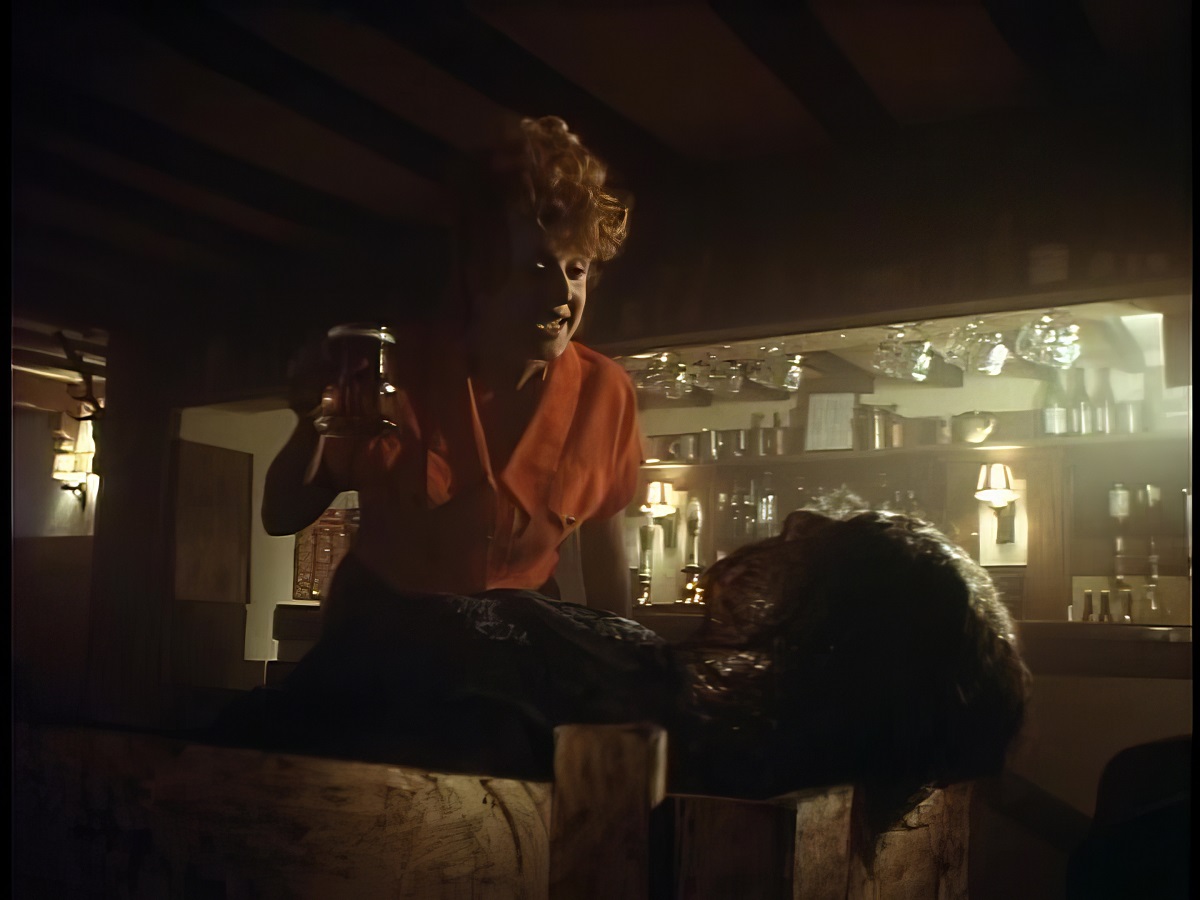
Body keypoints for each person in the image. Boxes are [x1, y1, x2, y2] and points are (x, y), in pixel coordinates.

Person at [210, 497, 1030, 844]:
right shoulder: (703, 718)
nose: (799, 519)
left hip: (254, 778)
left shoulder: (670, 740)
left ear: (839, 644)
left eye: (827, 547)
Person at [261, 115, 639, 620]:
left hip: (512, 643)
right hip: (387, 636)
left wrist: (627, 657)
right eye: (536, 269)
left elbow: (606, 561)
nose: (561, 293)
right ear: (480, 273)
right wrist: (310, 419)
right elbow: (282, 514)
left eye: (576, 270)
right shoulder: (396, 367)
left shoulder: (605, 391)